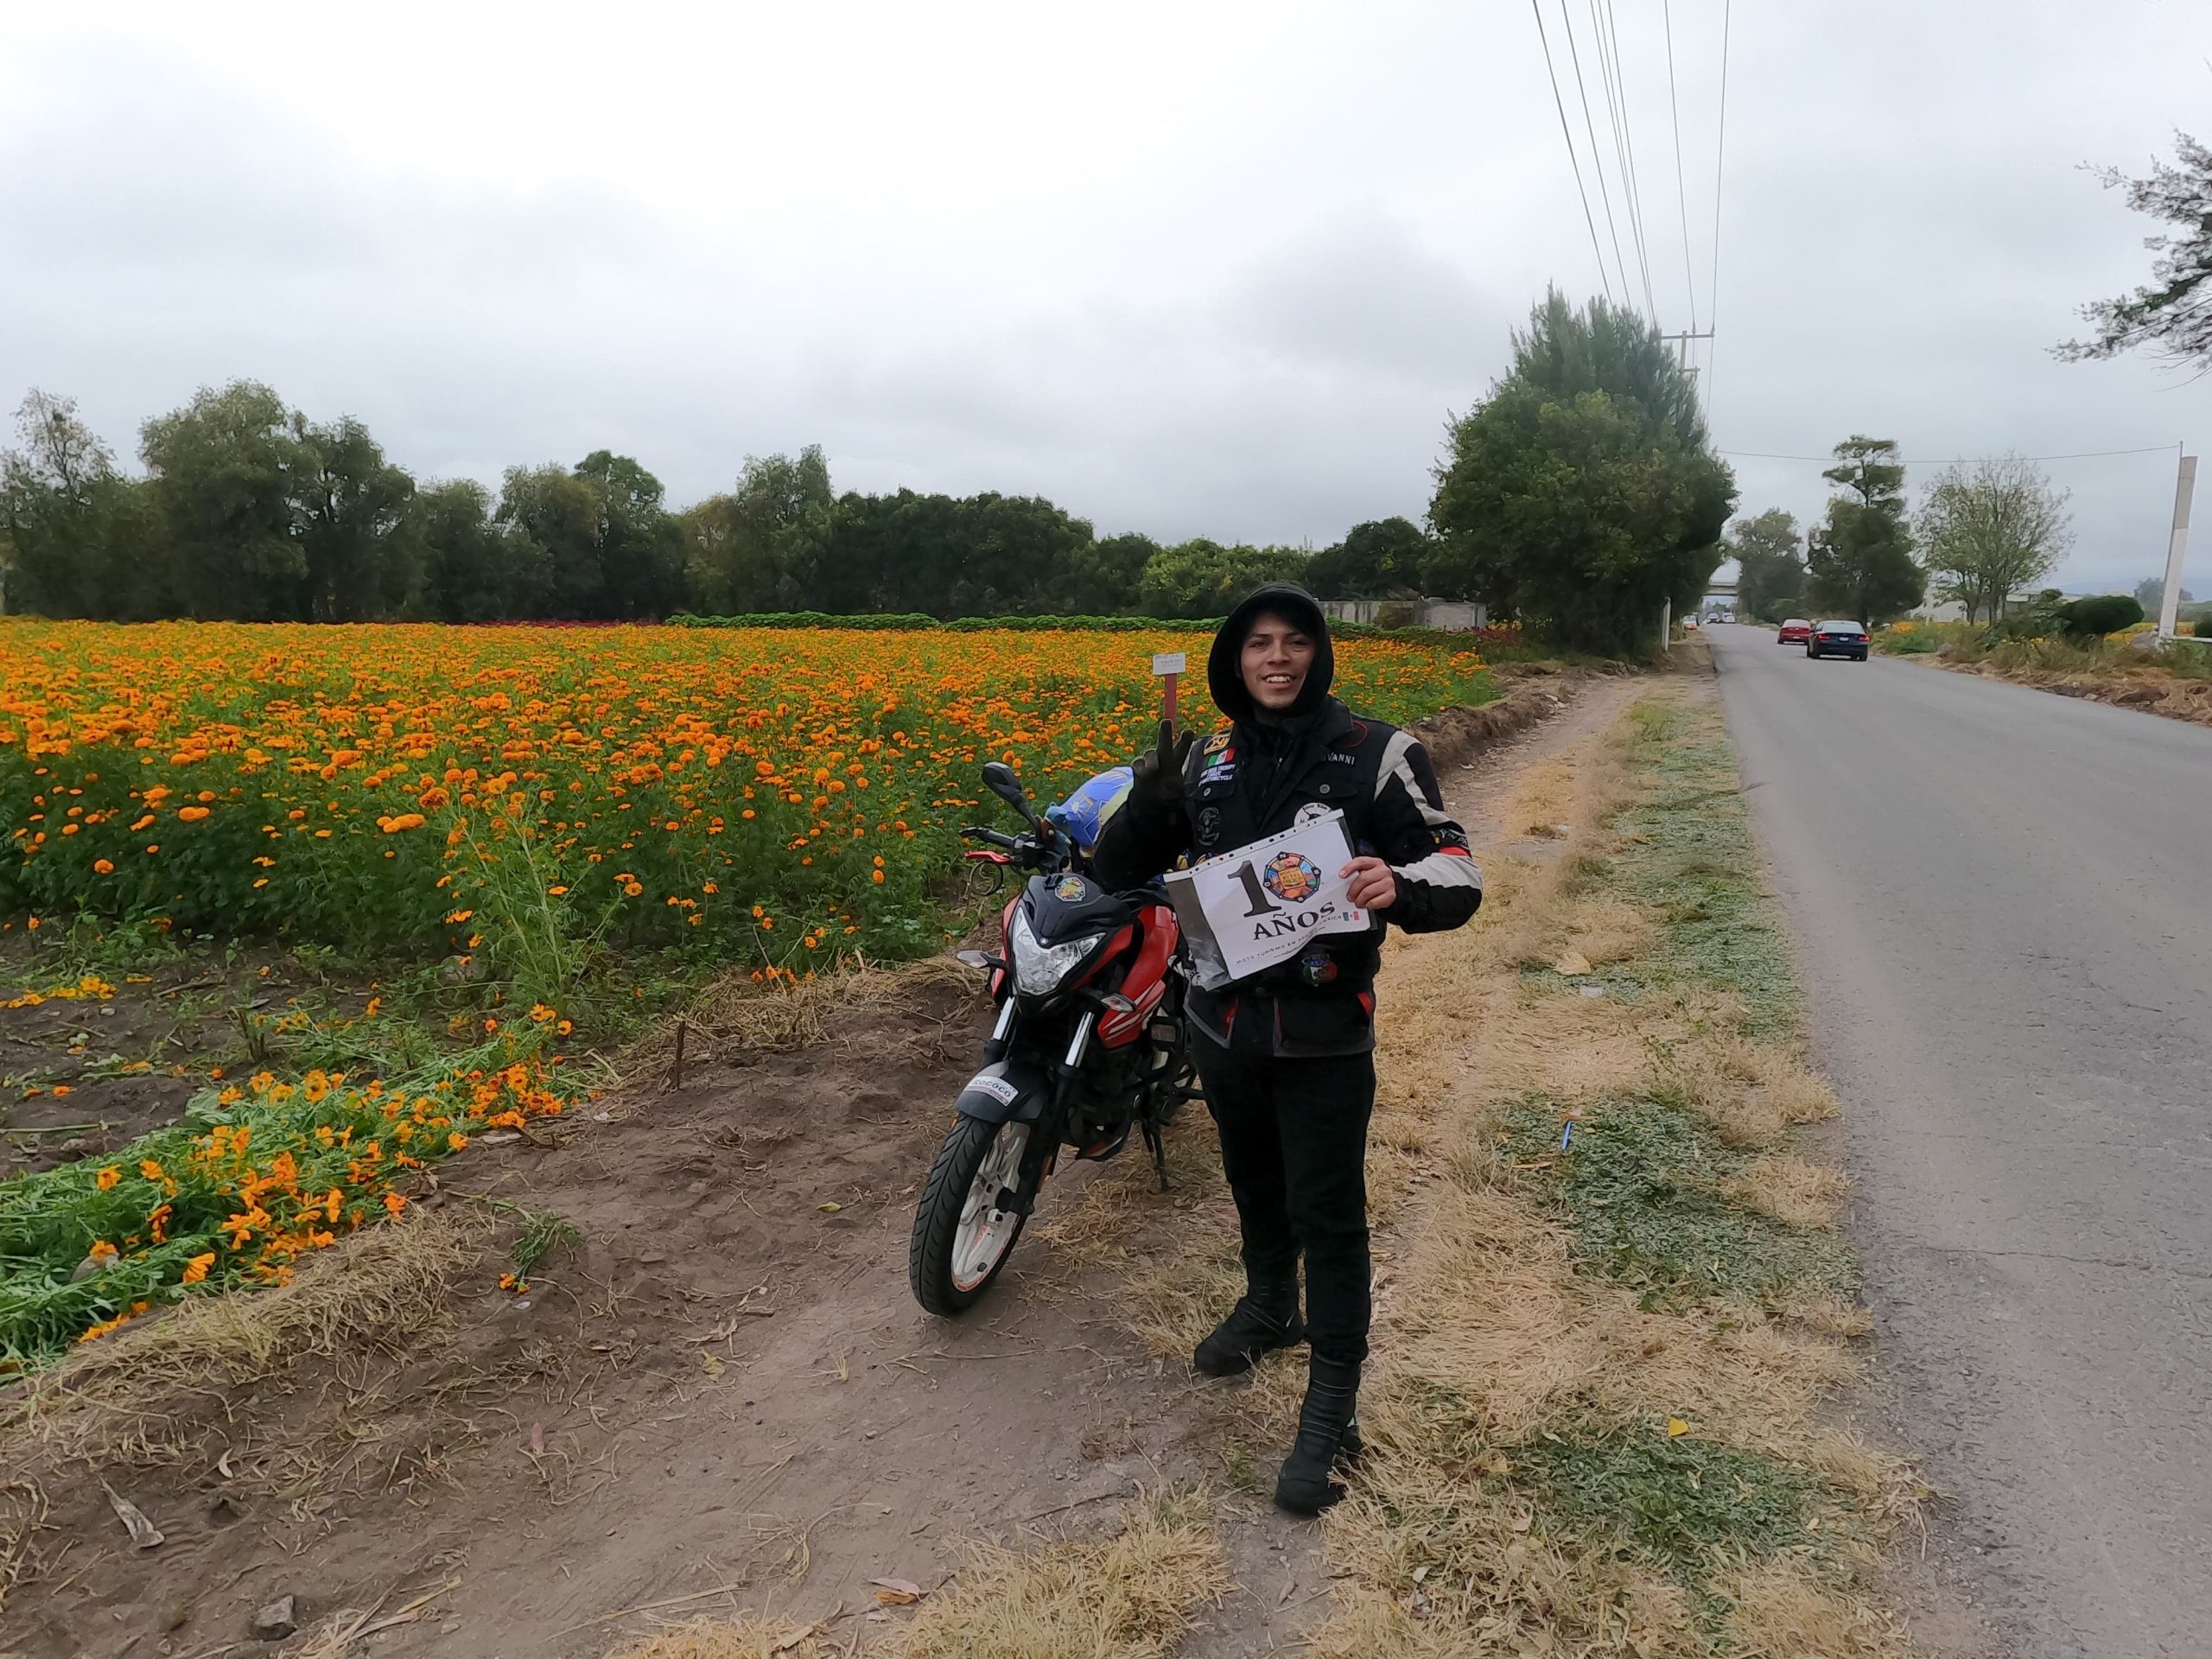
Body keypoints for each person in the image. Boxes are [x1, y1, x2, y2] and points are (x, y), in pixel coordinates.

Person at [1090, 583, 1481, 1513]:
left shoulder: (1378, 753)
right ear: (1234, 659)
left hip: (1323, 1036)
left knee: (1330, 1215)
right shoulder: (1208, 762)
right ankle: (1270, 1304)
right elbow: (1115, 872)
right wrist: (1146, 807)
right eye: (1258, 643)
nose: (1276, 657)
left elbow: (1457, 871)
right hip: (1219, 1027)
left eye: (1294, 641)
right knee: (1253, 1183)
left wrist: (1401, 884)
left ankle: (1331, 1410)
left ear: (1317, 654)